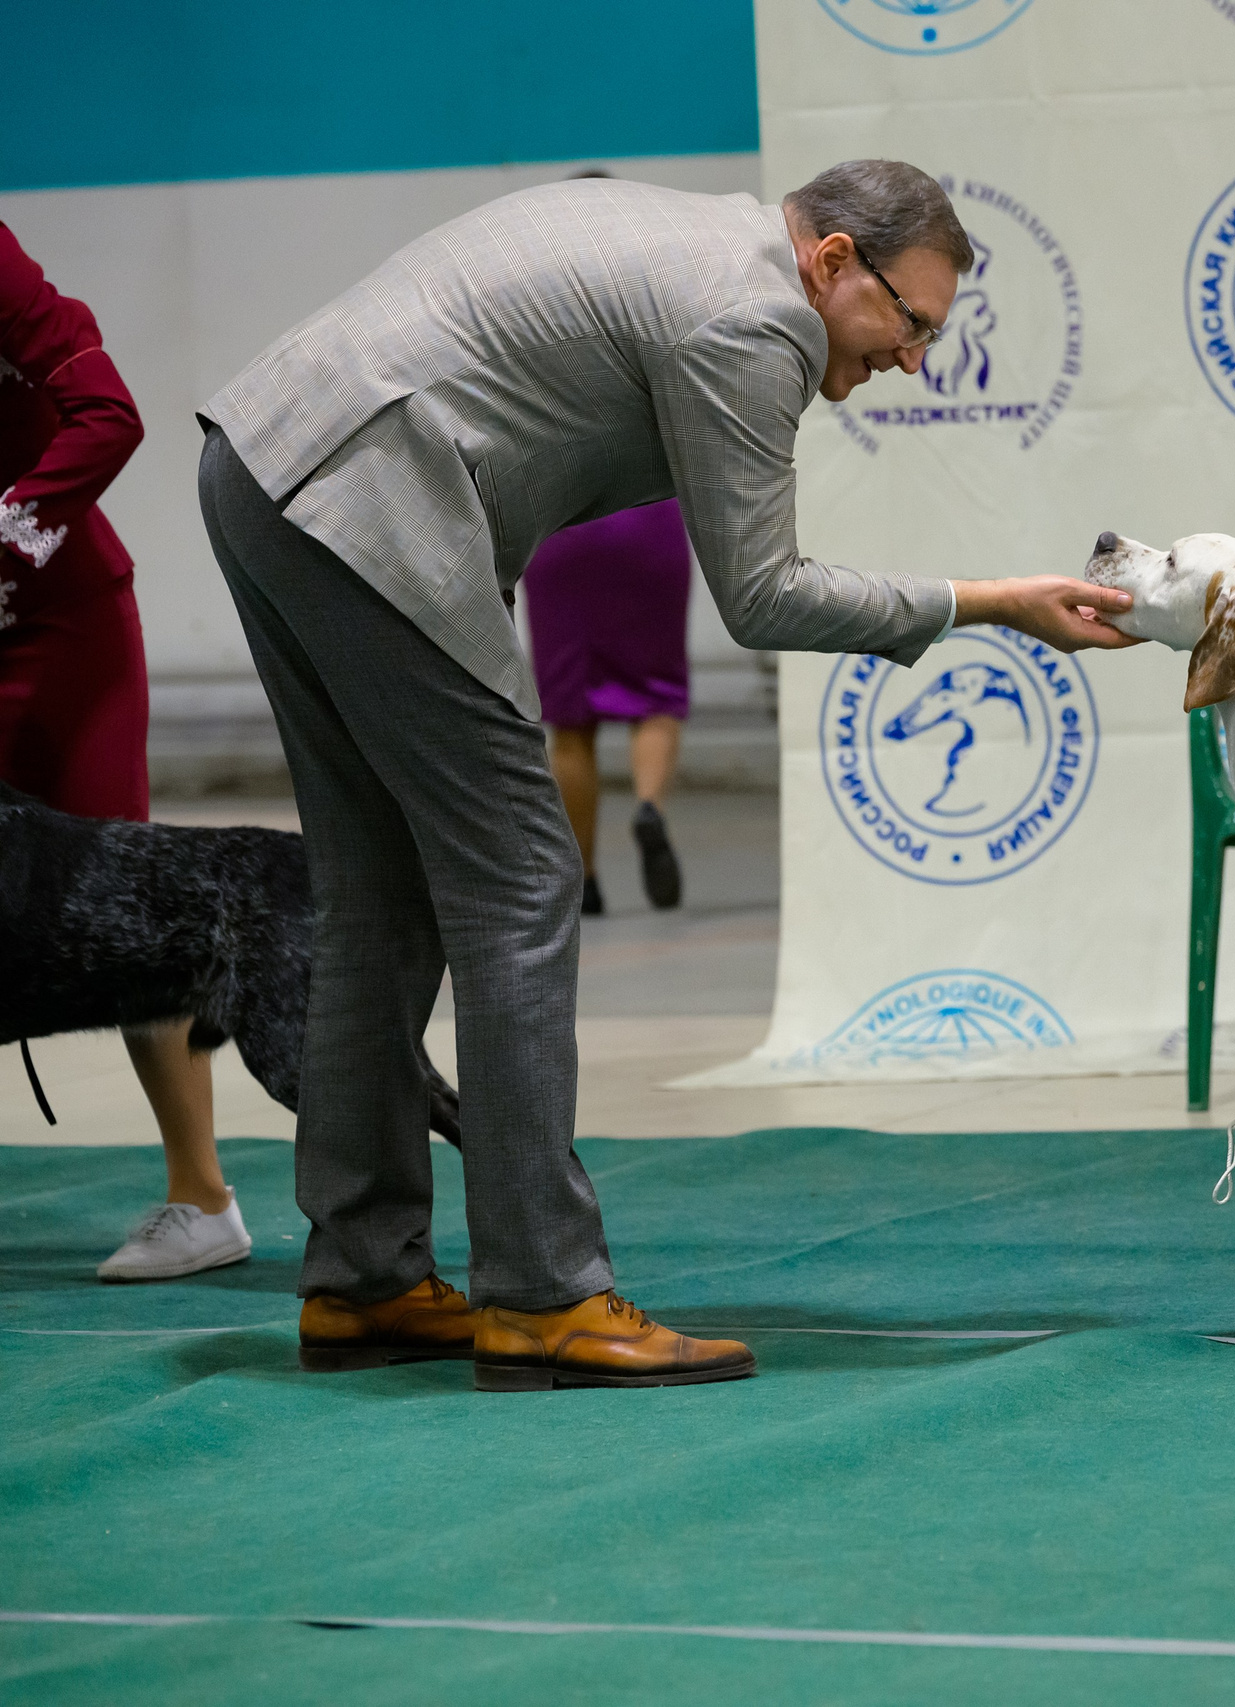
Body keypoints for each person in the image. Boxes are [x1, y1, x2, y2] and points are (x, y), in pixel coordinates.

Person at [197, 162, 1135, 1390]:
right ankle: (542, 1296)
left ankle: (365, 1279)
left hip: (264, 466)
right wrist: (993, 604)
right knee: (524, 879)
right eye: (909, 323)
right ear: (835, 261)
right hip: (359, 501)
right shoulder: (756, 319)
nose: (913, 360)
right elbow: (762, 593)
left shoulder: (703, 242)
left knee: (381, 891)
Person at [0, 223, 256, 1283]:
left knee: (130, 898)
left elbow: (111, 415)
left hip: (64, 634)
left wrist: (8, 527)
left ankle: (203, 1200)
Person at [521, 499, 695, 915]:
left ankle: (586, 881)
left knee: (571, 721)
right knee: (657, 697)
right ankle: (649, 807)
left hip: (561, 528)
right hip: (648, 527)